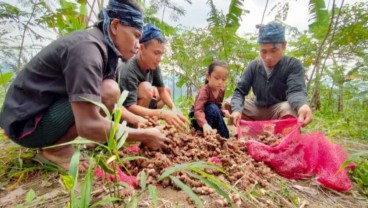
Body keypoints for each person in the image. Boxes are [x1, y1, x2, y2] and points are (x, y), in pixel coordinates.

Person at [0, 0, 169, 171]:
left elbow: (113, 105)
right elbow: (88, 124)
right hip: (26, 126)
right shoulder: (88, 50)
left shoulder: (104, 50)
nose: (137, 44)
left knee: (109, 90)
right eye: (136, 35)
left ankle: (69, 143)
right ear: (115, 26)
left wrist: (137, 120)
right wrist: (143, 135)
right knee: (108, 90)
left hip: (43, 113)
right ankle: (55, 150)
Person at [229, 21, 313, 127]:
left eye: (273, 51)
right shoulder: (254, 65)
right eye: (263, 51)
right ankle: (248, 131)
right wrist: (237, 110)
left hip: (278, 110)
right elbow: (239, 92)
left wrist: (302, 105)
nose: (268, 57)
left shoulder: (292, 65)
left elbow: (296, 91)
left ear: (283, 46)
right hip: (257, 108)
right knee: (229, 104)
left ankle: (281, 135)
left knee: (289, 108)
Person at [116, 23, 189, 131]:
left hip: (141, 104)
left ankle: (149, 119)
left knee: (167, 91)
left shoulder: (154, 65)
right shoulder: (128, 67)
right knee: (146, 88)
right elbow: (128, 106)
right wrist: (162, 114)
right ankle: (135, 124)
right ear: (141, 48)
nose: (159, 58)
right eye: (156, 53)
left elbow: (162, 91)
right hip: (123, 113)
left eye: (161, 54)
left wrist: (174, 108)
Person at [189, 61, 230, 138]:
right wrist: (204, 124)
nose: (220, 82)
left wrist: (223, 111)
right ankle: (203, 133)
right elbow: (198, 110)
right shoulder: (205, 91)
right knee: (212, 107)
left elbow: (219, 106)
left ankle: (222, 136)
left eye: (223, 79)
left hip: (212, 115)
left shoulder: (221, 90)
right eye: (217, 78)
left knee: (225, 135)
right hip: (199, 119)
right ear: (208, 76)